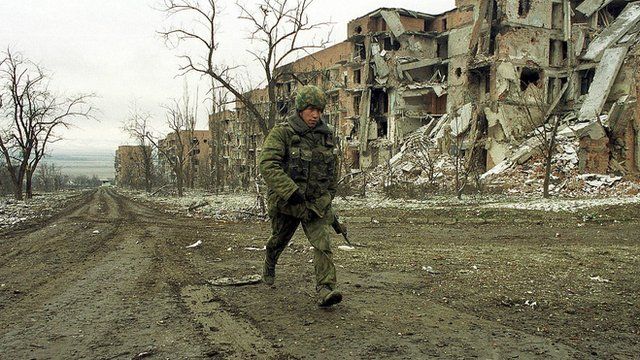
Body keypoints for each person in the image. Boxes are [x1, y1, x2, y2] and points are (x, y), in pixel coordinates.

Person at [259, 84, 342, 308]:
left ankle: (326, 288)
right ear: (300, 109)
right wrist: (290, 191)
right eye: (310, 109)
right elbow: (268, 165)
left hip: (314, 204)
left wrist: (327, 199)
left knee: (322, 244)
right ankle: (270, 261)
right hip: (287, 203)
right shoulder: (282, 133)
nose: (315, 115)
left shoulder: (326, 136)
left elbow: (333, 172)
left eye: (319, 110)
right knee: (278, 241)